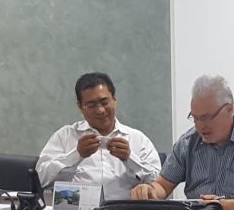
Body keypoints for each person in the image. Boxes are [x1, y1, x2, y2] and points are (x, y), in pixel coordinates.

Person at [130, 74, 234, 210]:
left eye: (207, 118)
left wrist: (224, 207)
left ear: (229, 109)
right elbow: (163, 186)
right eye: (195, 118)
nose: (201, 126)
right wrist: (149, 191)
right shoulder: (188, 142)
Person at [37, 72, 161, 201]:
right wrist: (76, 155)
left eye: (104, 102)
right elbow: (42, 179)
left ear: (114, 100)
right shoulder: (65, 136)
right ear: (80, 107)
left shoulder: (137, 139)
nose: (100, 110)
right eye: (91, 105)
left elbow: (159, 185)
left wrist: (130, 158)